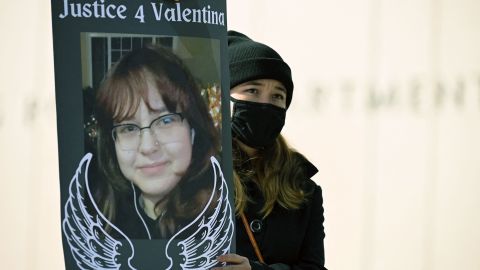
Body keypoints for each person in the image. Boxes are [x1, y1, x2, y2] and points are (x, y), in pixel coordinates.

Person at [215, 31, 327, 269]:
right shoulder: (195, 172)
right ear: (223, 97)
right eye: (252, 91)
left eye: (277, 96)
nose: (265, 103)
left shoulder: (303, 188)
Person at [94, 45, 219, 239]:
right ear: (113, 145)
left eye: (165, 121)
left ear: (193, 129)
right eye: (128, 128)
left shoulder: (227, 216)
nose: (147, 147)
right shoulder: (97, 225)